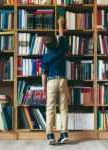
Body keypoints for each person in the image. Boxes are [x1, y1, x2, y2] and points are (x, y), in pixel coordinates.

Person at [40, 16, 69, 145]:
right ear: (56, 41)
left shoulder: (45, 57)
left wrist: (43, 87)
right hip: (62, 80)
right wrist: (60, 23)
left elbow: (43, 73)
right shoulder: (62, 48)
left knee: (50, 108)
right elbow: (62, 34)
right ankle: (64, 133)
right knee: (63, 108)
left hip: (51, 82)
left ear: (46, 46)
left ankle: (50, 135)